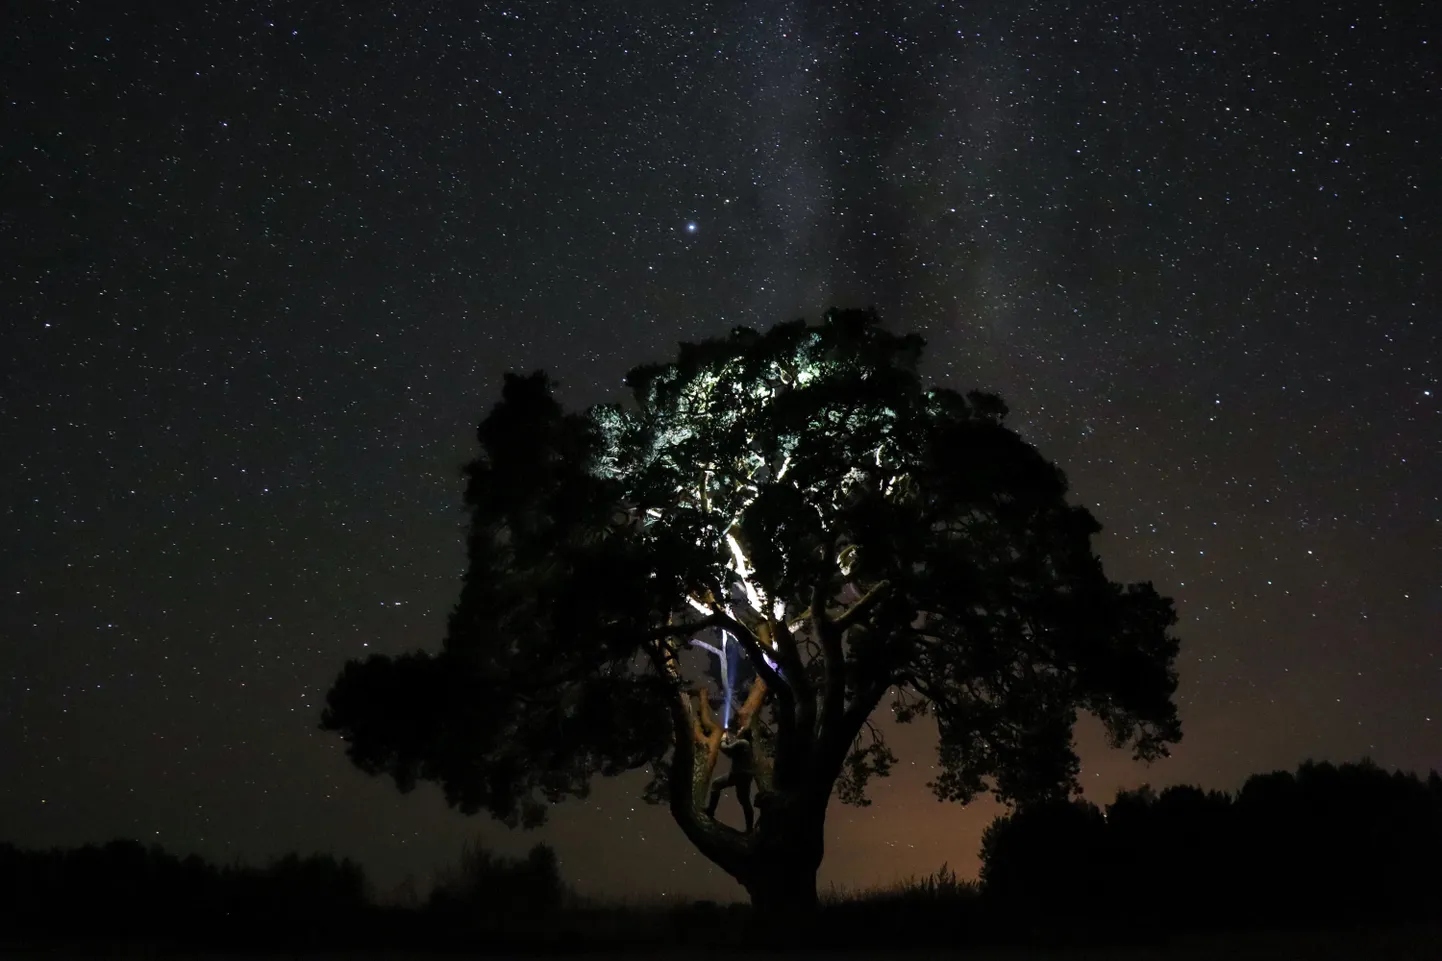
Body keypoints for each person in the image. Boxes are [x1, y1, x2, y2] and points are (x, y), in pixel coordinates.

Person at [706, 723, 755, 833]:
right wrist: (727, 740)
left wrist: (723, 739)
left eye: (741, 729)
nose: (738, 730)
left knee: (716, 784)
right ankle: (749, 829)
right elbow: (731, 752)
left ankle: (710, 811)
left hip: (739, 774)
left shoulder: (742, 743)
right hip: (745, 775)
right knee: (744, 800)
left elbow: (726, 750)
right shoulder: (746, 745)